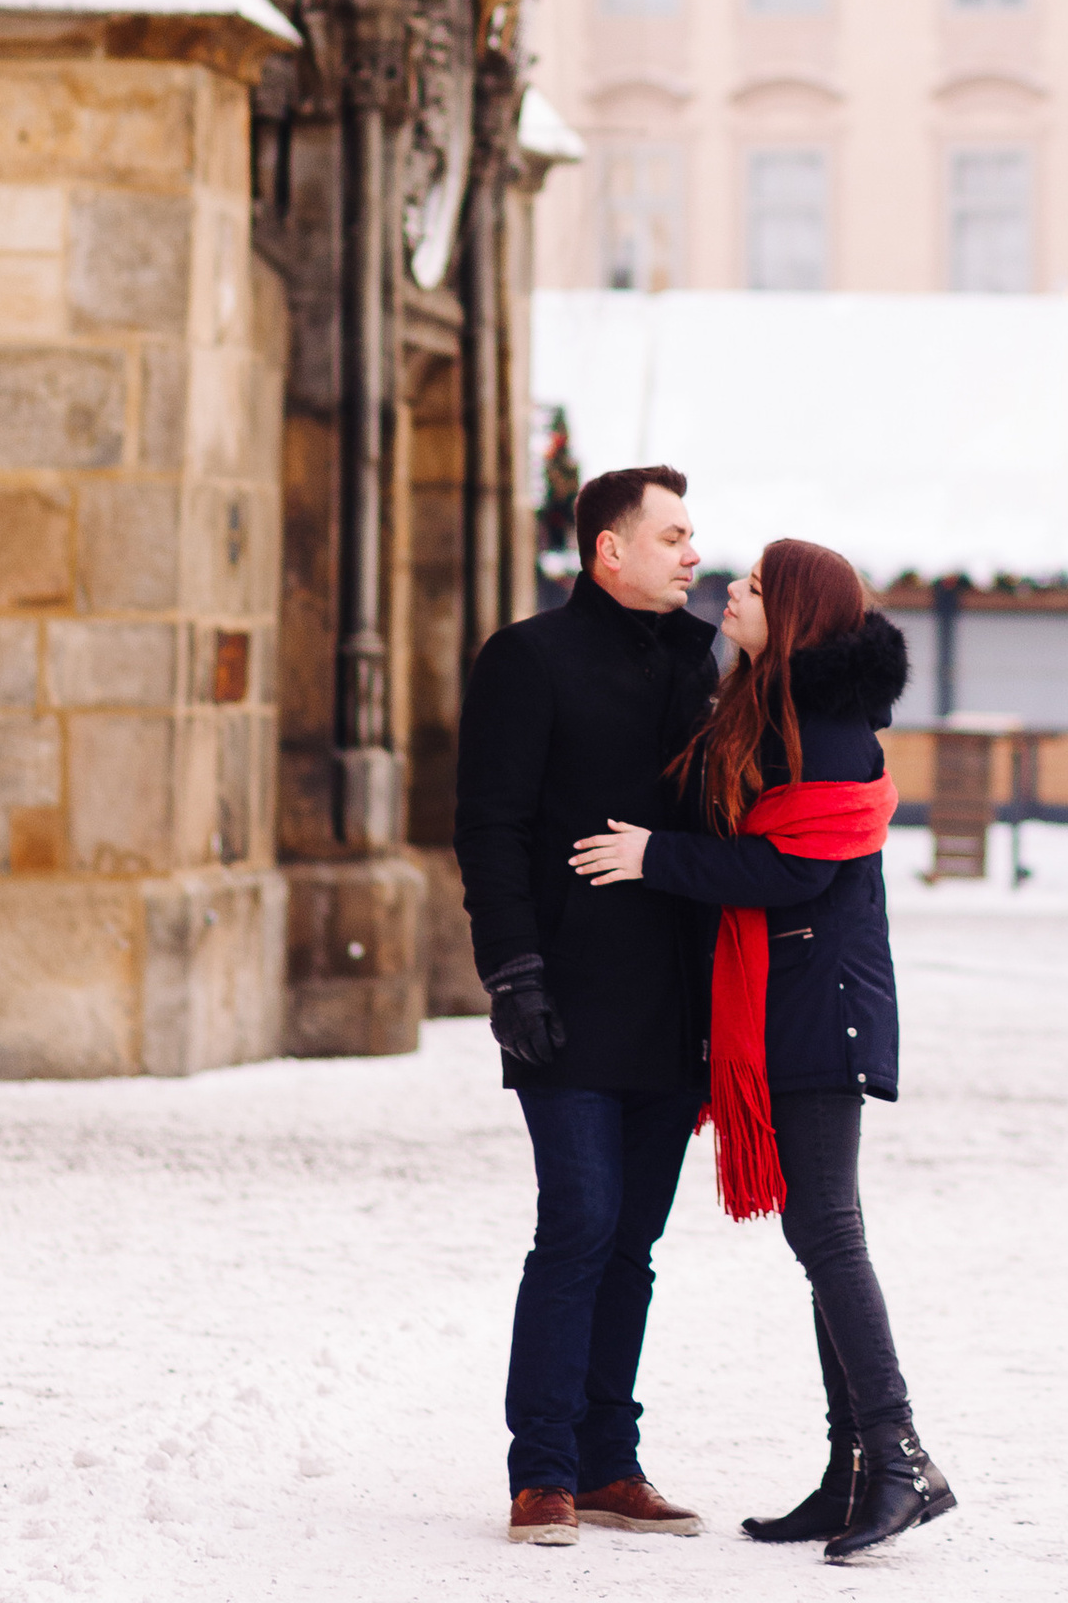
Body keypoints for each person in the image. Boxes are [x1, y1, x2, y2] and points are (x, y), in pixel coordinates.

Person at [573, 540, 954, 1565]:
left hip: (818, 1010)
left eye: (749, 587)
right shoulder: (765, 705)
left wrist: (656, 857)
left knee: (828, 1233)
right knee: (816, 1237)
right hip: (786, 1006)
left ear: (789, 612)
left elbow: (786, 867)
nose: (729, 593)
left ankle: (901, 1455)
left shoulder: (827, 728)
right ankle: (853, 1473)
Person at [455, 462, 720, 1549]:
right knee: (578, 1222)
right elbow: (490, 825)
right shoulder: (527, 659)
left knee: (634, 1241)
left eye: (692, 534)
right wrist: (510, 971)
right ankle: (544, 1472)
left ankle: (612, 1463)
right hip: (562, 993)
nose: (692, 553)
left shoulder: (702, 665)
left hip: (675, 1002)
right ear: (608, 550)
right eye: (672, 536)